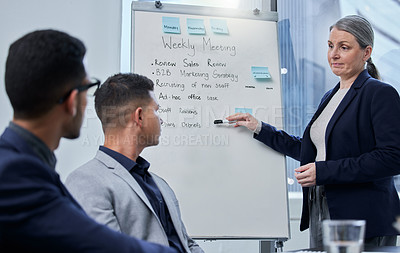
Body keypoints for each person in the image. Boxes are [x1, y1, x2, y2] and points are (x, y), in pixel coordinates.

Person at [226, 15, 400, 248]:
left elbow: (391, 158)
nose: (333, 54)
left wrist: (324, 171)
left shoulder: (379, 93)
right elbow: (309, 150)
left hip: (362, 218)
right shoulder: (330, 96)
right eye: (330, 46)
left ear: (366, 52)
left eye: (344, 47)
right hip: (322, 206)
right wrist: (260, 128)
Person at [0, 29, 177, 253]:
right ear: (72, 101)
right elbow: (100, 245)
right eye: (88, 88)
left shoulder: (24, 165)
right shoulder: (16, 174)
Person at [65, 73, 204, 253]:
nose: (161, 119)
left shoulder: (159, 184)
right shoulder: (86, 182)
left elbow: (186, 243)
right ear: (139, 116)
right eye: (156, 110)